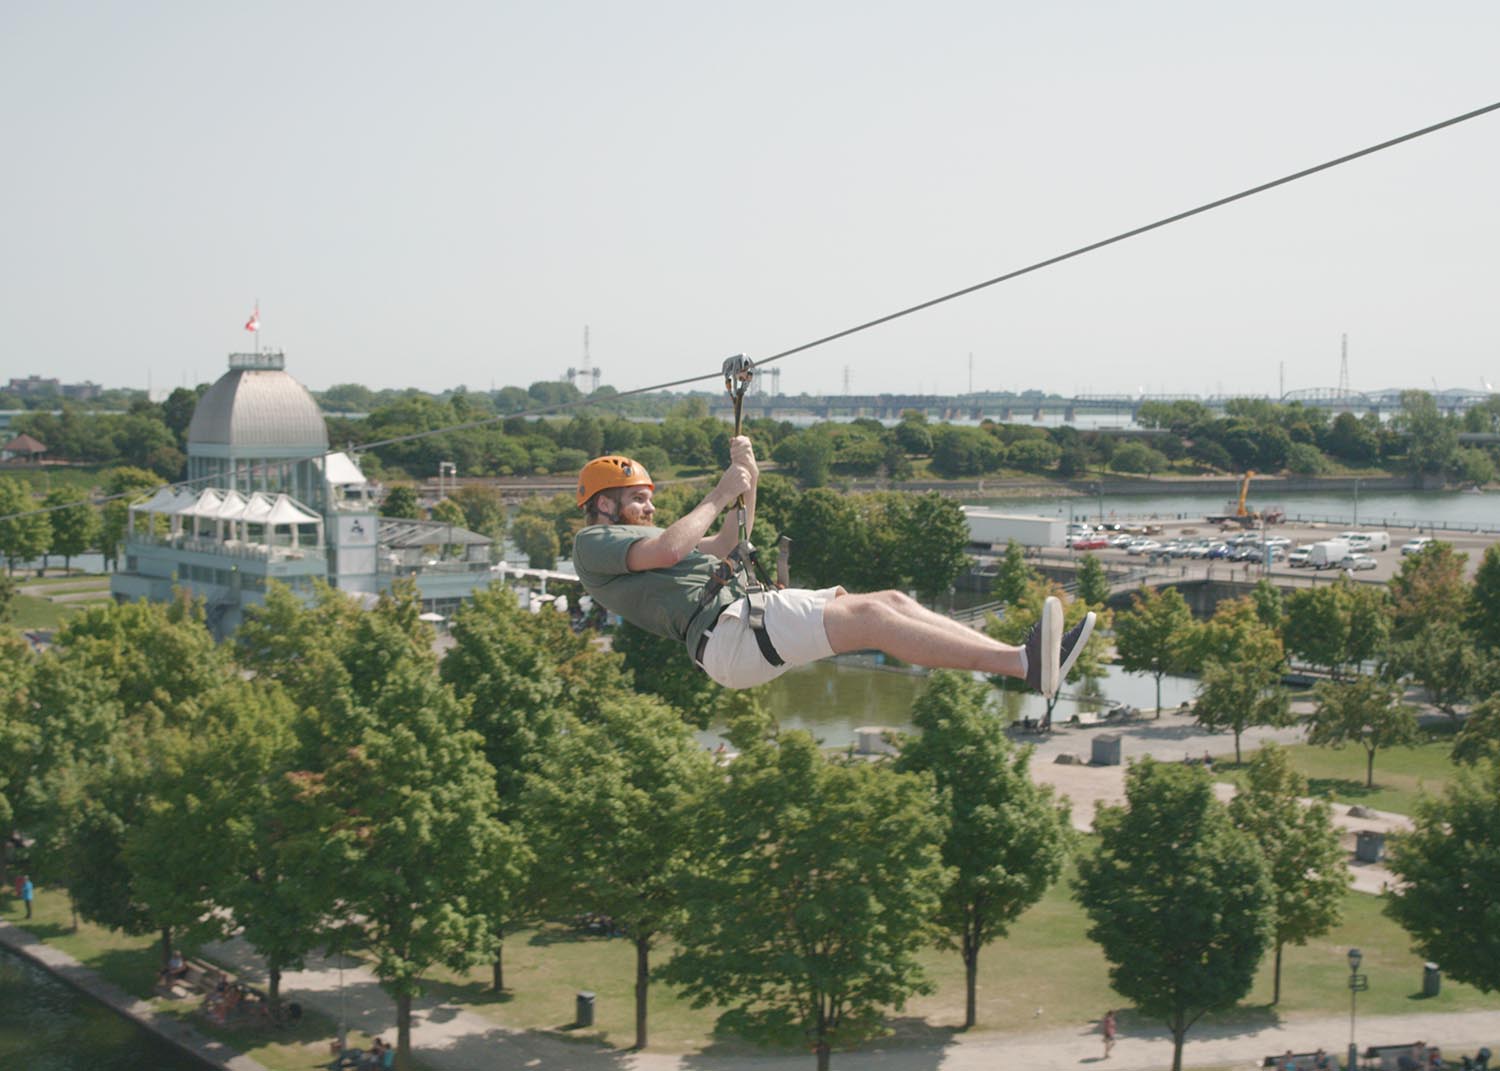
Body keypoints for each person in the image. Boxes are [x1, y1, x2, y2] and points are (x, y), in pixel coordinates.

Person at [572, 442, 1095, 694]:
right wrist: (720, 491)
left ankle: (1020, 659)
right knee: (872, 620)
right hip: (731, 632)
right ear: (603, 504)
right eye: (638, 500)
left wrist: (748, 482)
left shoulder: (651, 541)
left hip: (739, 629)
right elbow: (667, 548)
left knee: (888, 602)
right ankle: (1023, 667)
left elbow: (731, 539)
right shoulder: (594, 544)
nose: (650, 507)